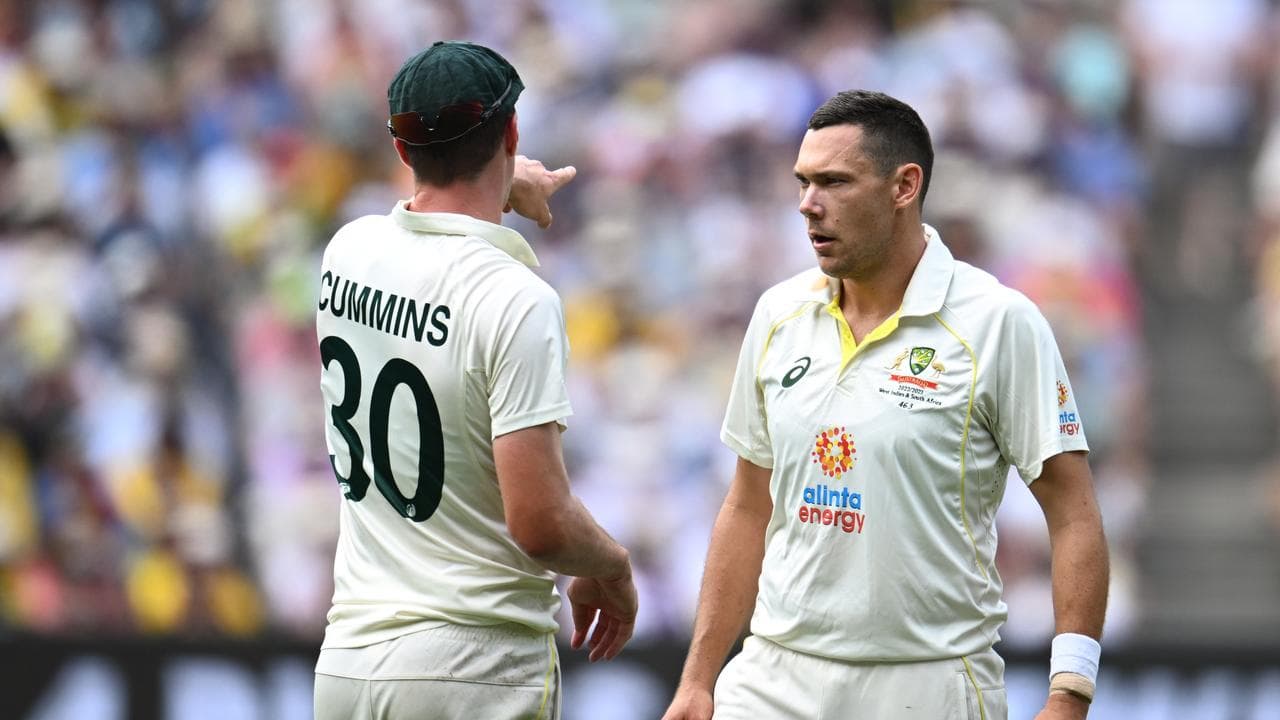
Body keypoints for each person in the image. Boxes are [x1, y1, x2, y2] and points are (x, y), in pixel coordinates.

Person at [662, 90, 1110, 720]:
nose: (807, 205)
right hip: (773, 677)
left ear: (905, 186)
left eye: (834, 182)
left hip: (927, 681)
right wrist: (699, 678)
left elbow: (1074, 514)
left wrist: (1071, 691)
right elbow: (746, 504)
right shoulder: (777, 313)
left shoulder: (998, 322)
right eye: (803, 182)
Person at [312, 41, 637, 720]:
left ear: (403, 151)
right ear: (512, 134)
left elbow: (429, 231)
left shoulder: (348, 251)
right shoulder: (515, 298)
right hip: (471, 669)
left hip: (347, 663)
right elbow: (540, 524)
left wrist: (496, 184)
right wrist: (611, 564)